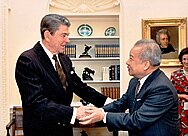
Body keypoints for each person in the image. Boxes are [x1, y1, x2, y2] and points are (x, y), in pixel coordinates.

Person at [15, 14, 111, 136]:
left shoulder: (64, 59)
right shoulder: (28, 60)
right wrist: (75, 113)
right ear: (48, 35)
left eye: (67, 35)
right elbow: (37, 103)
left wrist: (108, 102)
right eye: (63, 35)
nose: (67, 40)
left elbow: (80, 87)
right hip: (42, 131)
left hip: (64, 130)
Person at [78, 39, 180, 136]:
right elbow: (122, 103)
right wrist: (100, 111)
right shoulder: (135, 81)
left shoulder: (162, 88)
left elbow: (137, 120)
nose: (127, 62)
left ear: (145, 65)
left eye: (131, 58)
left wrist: (103, 116)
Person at [170, 47, 188, 135]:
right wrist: (183, 96)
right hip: (180, 109)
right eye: (184, 59)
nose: (187, 62)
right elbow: (169, 94)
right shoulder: (175, 75)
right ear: (181, 60)